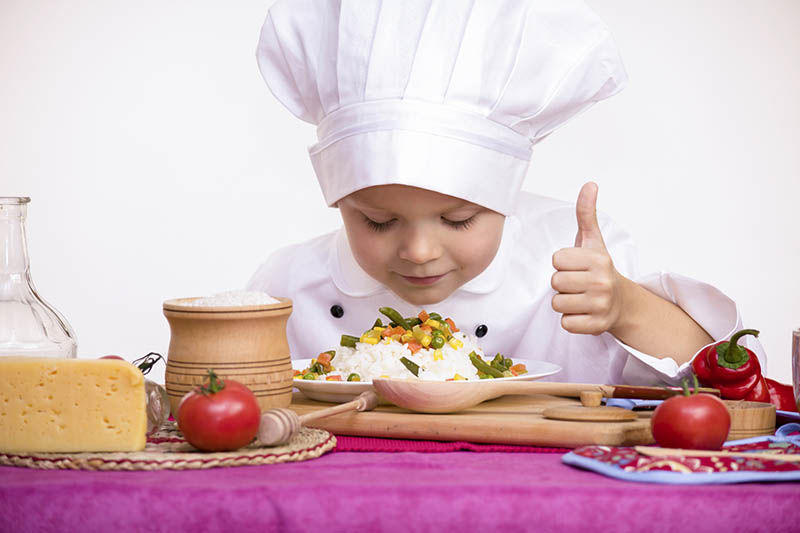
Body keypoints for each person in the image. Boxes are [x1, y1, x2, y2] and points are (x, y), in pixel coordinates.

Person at [247, 0, 765, 386]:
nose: (419, 251)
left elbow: (727, 383)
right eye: (378, 221)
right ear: (339, 202)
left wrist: (626, 307)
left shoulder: (574, 263)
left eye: (458, 219)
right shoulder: (285, 288)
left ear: (504, 199)